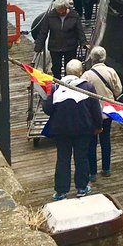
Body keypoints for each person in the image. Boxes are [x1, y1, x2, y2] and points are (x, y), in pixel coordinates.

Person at [42, 59, 102, 201]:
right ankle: (81, 187)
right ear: (80, 72)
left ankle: (61, 191)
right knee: (81, 158)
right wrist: (98, 126)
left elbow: (47, 109)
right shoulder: (87, 87)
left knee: (63, 159)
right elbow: (95, 109)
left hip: (61, 130)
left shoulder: (56, 88)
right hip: (83, 129)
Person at [83, 46, 123, 182]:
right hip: (107, 111)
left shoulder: (87, 75)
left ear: (92, 59)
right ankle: (106, 168)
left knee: (91, 142)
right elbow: (118, 90)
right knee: (105, 140)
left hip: (91, 113)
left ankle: (92, 172)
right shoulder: (111, 72)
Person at [32, 0, 87, 80]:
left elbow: (80, 31)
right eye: (58, 10)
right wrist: (38, 46)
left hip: (70, 47)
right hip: (55, 47)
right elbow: (43, 32)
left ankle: (69, 82)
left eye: (62, 9)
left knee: (69, 67)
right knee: (56, 67)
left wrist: (83, 43)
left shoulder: (74, 15)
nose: (60, 12)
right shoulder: (50, 16)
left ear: (66, 8)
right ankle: (57, 81)